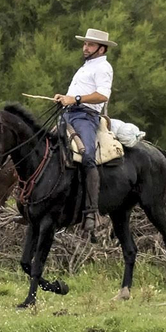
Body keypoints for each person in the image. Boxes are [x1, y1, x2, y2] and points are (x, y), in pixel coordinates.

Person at [53, 28, 115, 239]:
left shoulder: (103, 67)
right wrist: (65, 98)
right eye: (85, 44)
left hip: (86, 117)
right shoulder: (86, 67)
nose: (85, 47)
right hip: (68, 114)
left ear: (101, 48)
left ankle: (91, 211)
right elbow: (75, 95)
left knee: (87, 155)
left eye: (89, 44)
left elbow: (102, 95)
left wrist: (75, 99)